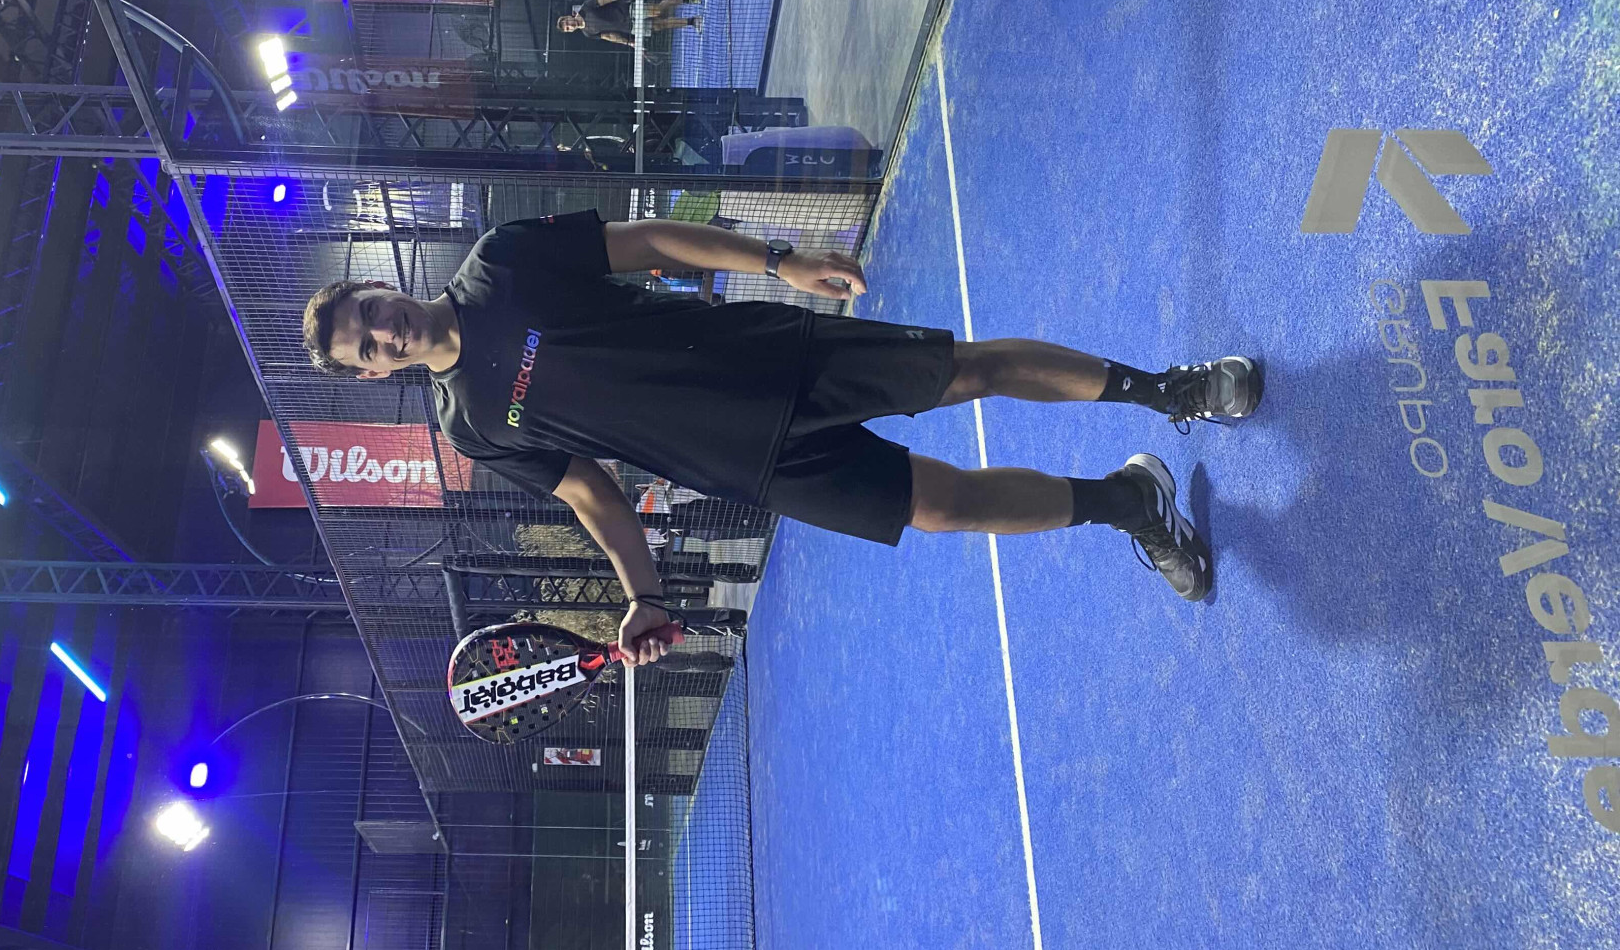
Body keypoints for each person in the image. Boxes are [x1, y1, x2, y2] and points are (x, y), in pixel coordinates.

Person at [301, 213, 1261, 665]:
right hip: (751, 463)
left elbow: (651, 242)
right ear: (375, 374)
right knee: (943, 508)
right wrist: (641, 597)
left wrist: (780, 260)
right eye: (367, 346)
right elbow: (590, 494)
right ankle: (1131, 502)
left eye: (371, 310)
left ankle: (1167, 389)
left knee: (966, 371)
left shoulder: (500, 262)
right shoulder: (471, 426)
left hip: (770, 358)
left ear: (383, 286)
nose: (384, 331)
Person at [559, 0, 701, 48]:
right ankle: (692, 21)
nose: (569, 26)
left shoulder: (586, 7)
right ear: (569, 31)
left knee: (658, 10)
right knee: (660, 25)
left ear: (568, 17)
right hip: (630, 28)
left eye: (567, 23)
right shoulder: (588, 33)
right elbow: (609, 36)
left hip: (628, 10)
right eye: (567, 28)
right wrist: (628, 42)